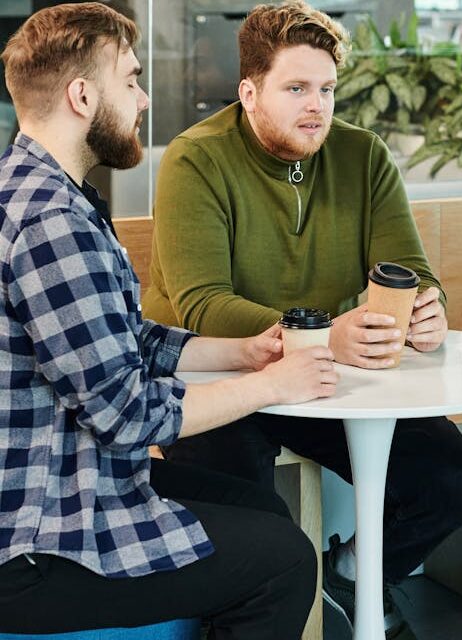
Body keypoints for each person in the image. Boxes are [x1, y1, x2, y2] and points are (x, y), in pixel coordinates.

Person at [141, 3, 462, 638]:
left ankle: (352, 575)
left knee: (452, 481)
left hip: (334, 375)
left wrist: (424, 309)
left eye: (326, 89)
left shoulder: (363, 156)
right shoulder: (196, 159)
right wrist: (328, 333)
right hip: (220, 380)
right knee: (256, 532)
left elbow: (407, 268)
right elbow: (203, 305)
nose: (317, 106)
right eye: (296, 88)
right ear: (249, 91)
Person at [0, 4, 340, 638]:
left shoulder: (35, 191)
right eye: (130, 80)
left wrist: (243, 354)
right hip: (38, 533)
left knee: (264, 507)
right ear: (81, 96)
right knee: (286, 561)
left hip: (66, 478)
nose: (145, 98)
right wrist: (275, 386)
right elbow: (126, 415)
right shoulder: (52, 224)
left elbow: (124, 336)